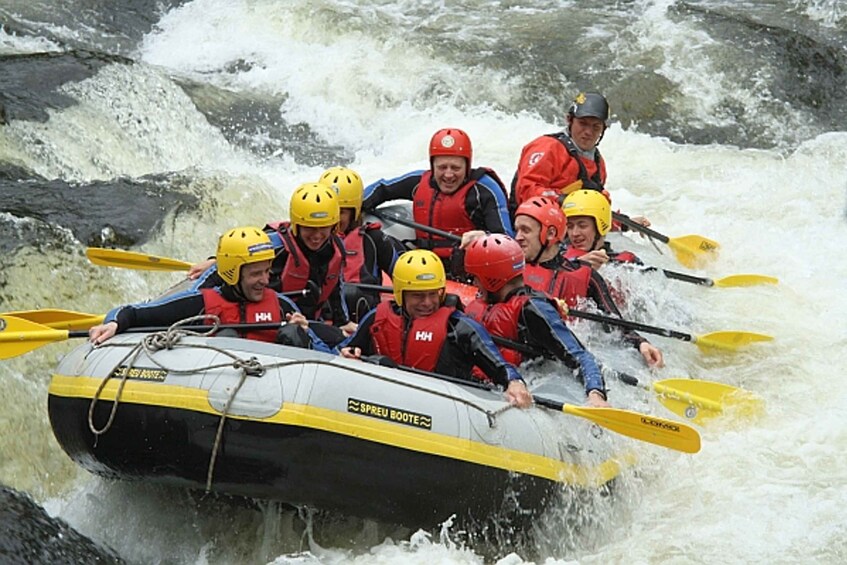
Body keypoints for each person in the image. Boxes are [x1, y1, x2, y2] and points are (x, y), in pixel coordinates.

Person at [339, 249, 532, 408]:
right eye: (418, 296)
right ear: (400, 293)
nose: (428, 303)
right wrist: (349, 354)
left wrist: (514, 382)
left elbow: (500, 366)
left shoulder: (459, 327)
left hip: (446, 409)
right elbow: (346, 350)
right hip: (384, 403)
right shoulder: (376, 319)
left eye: (433, 294)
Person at [89, 226, 330, 352]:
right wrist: (113, 322)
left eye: (267, 271)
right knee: (227, 338)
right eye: (256, 273)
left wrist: (305, 332)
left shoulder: (282, 305)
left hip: (277, 397)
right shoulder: (201, 304)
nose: (265, 280)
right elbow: (135, 313)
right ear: (232, 273)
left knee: (293, 334)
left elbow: (326, 351)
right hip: (218, 394)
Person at [189, 183, 356, 344]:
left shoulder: (336, 248)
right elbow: (234, 258)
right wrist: (214, 262)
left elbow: (335, 285)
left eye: (323, 228)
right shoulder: (273, 245)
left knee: (343, 338)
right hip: (263, 318)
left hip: (302, 323)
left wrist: (343, 321)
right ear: (297, 225)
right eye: (309, 228)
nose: (317, 235)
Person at [511, 197, 664, 368]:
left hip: (555, 363)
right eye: (570, 226)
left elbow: (615, 322)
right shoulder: (509, 266)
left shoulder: (586, 275)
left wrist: (641, 343)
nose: (518, 237)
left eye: (582, 225)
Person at [462, 233, 609, 407]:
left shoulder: (533, 310)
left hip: (522, 387)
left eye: (476, 277)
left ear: (490, 279)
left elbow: (580, 356)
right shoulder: (483, 303)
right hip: (480, 385)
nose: (474, 283)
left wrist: (595, 393)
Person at [361, 128, 514, 277]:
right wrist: (355, 208)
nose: (448, 174)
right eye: (442, 167)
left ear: (467, 166)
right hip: (423, 265)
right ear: (432, 166)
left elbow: (508, 240)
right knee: (371, 235)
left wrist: (484, 237)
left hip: (467, 272)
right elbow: (382, 188)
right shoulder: (420, 182)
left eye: (455, 168)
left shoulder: (486, 190)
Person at [318, 166, 404, 322]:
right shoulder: (312, 240)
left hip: (364, 316)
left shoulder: (373, 238)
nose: (334, 218)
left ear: (354, 212)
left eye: (341, 212)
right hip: (325, 316)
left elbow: (402, 276)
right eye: (330, 210)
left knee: (353, 295)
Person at [562, 189, 642, 267]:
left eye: (582, 226)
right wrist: (578, 265)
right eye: (570, 227)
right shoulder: (559, 259)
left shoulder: (625, 262)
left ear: (600, 226)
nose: (574, 233)